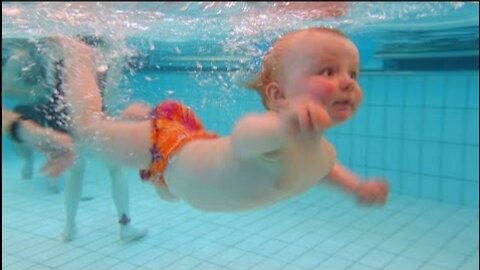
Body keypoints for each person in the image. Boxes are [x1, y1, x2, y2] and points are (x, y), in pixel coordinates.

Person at [46, 27, 388, 213]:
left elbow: (324, 170)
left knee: (169, 192)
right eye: (328, 71)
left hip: (186, 165)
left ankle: (140, 116)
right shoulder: (270, 136)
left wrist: (356, 187)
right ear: (278, 97)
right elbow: (244, 136)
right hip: (167, 147)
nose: (347, 82)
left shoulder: (323, 153)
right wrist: (286, 126)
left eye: (353, 73)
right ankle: (78, 56)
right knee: (88, 130)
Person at [2, 38, 147, 242]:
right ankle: (126, 227)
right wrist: (113, 124)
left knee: (76, 171)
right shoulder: (105, 53)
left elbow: (55, 93)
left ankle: (69, 228)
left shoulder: (59, 55)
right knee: (115, 170)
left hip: (68, 121)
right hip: (96, 121)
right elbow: (110, 94)